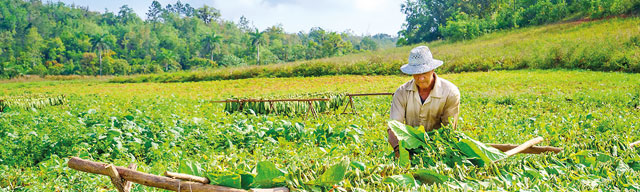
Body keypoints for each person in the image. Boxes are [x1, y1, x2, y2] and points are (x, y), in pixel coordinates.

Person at [388, 46, 460, 156]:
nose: (420, 78)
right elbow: (393, 127)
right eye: (416, 73)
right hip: (408, 149)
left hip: (438, 149)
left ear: (432, 69)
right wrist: (398, 150)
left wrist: (438, 152)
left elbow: (449, 130)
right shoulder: (402, 92)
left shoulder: (450, 92)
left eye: (424, 73)